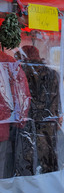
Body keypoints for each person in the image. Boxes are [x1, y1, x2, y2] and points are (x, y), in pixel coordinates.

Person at [14, 45, 61, 175]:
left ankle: (30, 190)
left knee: (27, 161)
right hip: (48, 123)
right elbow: (57, 101)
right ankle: (51, 188)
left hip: (28, 123)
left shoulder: (21, 73)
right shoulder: (53, 74)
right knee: (49, 160)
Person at [0, 49, 30, 178]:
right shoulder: (8, 62)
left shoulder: (8, 62)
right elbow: (21, 93)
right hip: (4, 125)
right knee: (2, 167)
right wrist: (20, 120)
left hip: (4, 123)